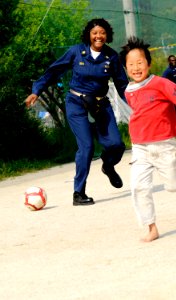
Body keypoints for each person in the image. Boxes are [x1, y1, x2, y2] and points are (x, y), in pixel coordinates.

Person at [25, 18, 129, 206]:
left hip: (100, 106)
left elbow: (122, 85)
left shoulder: (111, 57)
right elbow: (54, 71)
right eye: (95, 32)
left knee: (117, 145)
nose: (99, 36)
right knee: (86, 147)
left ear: (107, 35)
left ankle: (108, 165)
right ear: (89, 35)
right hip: (77, 104)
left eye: (102, 33)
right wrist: (36, 90)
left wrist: (137, 105)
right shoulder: (76, 52)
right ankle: (78, 193)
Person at [119, 37, 176, 242]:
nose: (136, 68)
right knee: (138, 186)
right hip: (140, 147)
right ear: (126, 68)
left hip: (165, 145)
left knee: (172, 186)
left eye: (140, 63)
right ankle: (151, 227)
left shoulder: (161, 83)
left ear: (148, 64)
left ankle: (175, 165)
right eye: (131, 65)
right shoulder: (128, 91)